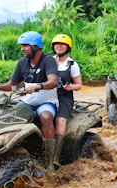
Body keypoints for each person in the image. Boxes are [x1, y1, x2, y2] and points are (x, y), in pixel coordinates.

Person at [0, 31, 59, 173]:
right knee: (7, 113)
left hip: (46, 102)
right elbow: (12, 84)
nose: (22, 48)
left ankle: (50, 162)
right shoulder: (22, 63)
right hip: (27, 101)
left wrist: (38, 86)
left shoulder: (48, 61)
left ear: (36, 46)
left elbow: (53, 82)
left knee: (45, 117)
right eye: (21, 46)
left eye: (26, 46)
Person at [51, 34, 82, 168]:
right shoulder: (49, 60)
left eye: (62, 44)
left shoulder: (72, 64)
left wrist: (70, 87)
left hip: (64, 97)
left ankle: (56, 157)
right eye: (56, 44)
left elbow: (79, 85)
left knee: (60, 120)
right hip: (48, 95)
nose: (59, 46)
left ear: (67, 47)